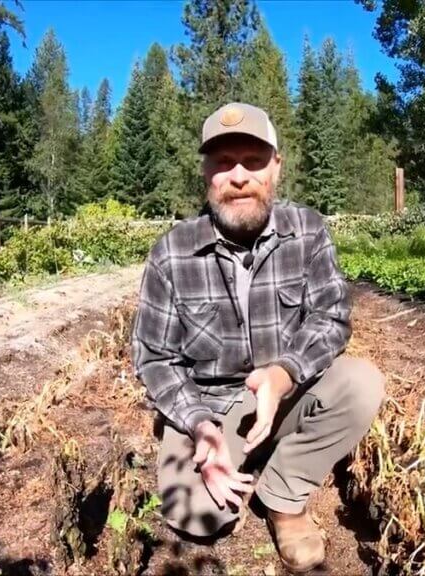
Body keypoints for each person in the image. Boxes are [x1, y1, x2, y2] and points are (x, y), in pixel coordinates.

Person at [131, 102, 384, 573]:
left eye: (253, 160)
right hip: (210, 407)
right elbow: (154, 358)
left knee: (361, 384)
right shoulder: (173, 251)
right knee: (196, 517)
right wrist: (199, 425)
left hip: (285, 397)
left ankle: (285, 495)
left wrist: (282, 375)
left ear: (276, 168)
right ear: (206, 173)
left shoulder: (308, 231)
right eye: (223, 163)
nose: (239, 175)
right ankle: (235, 457)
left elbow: (331, 317)